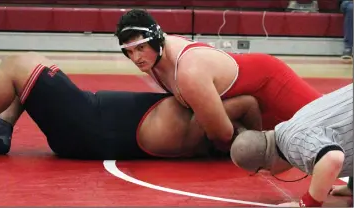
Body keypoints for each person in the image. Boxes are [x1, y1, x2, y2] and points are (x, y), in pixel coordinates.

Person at [0, 52, 262, 159]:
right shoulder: (197, 126)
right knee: (31, 80)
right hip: (86, 128)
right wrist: (257, 136)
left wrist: (259, 137)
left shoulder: (199, 126)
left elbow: (247, 103)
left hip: (86, 123)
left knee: (16, 65)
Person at [114, 9, 322, 151]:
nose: (136, 58)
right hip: (249, 101)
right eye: (129, 51)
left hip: (270, 82)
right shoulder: (153, 60)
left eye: (140, 48)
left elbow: (222, 134)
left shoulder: (188, 71)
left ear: (156, 41)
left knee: (329, 122)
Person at [230, 83, 353, 207]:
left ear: (266, 167)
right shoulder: (293, 123)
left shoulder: (293, 144)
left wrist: (307, 204)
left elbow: (332, 158)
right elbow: (345, 129)